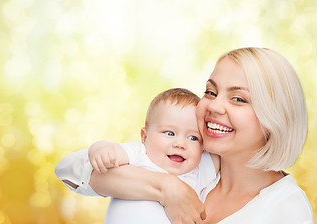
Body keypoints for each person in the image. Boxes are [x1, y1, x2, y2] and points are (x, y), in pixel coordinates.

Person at [58, 47, 314, 224]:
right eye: (211, 92)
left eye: (238, 99)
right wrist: (167, 188)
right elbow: (71, 171)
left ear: (275, 117)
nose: (214, 106)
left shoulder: (287, 208)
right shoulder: (191, 159)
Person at [55, 88, 219, 223]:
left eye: (193, 138)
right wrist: (99, 149)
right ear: (144, 137)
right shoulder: (139, 154)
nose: (180, 144)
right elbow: (107, 152)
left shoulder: (197, 170)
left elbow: (228, 157)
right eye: (169, 133)